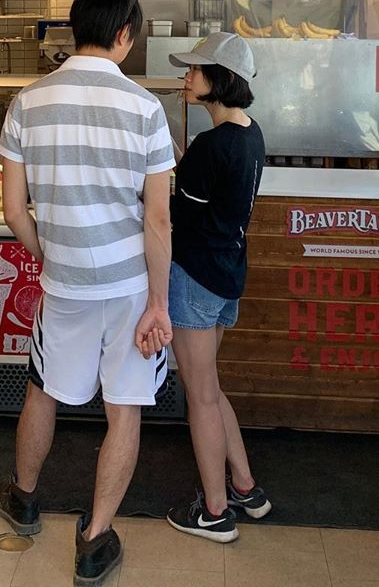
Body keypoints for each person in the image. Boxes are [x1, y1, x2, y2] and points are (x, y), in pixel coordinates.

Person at [0, 0, 174, 586]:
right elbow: (157, 220)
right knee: (125, 409)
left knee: (43, 390)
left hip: (64, 285)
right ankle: (95, 541)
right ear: (124, 34)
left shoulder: (28, 101)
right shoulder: (146, 109)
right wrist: (158, 304)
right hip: (129, 287)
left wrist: (53, 254)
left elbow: (13, 211)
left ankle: (23, 500)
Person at [163, 31, 271, 542]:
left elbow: (175, 216)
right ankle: (245, 487)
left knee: (200, 396)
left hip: (194, 278)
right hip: (227, 275)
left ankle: (214, 512)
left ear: (220, 79)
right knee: (209, 387)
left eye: (194, 70)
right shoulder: (250, 134)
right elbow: (209, 197)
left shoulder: (211, 145)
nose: (186, 78)